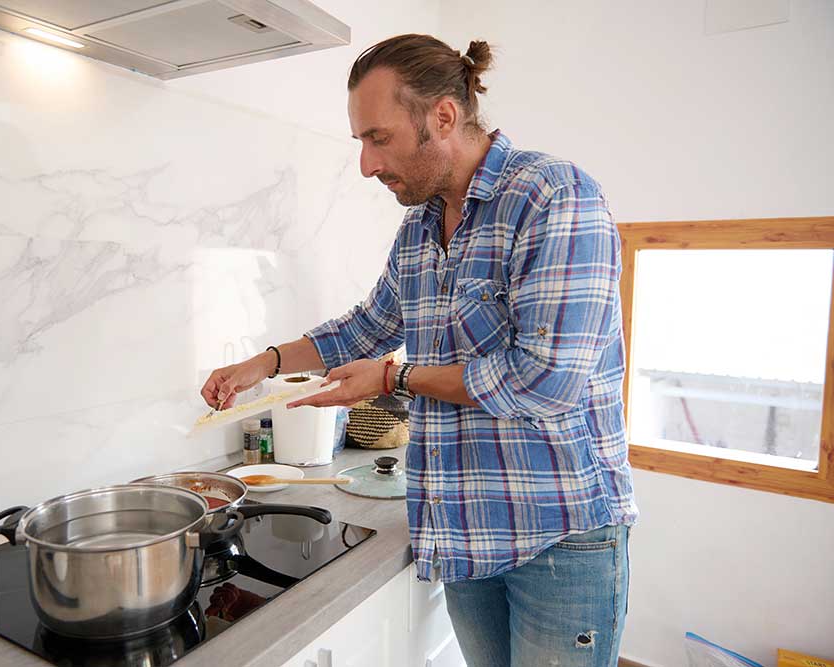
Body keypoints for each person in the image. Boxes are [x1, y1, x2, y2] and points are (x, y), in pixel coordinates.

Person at [200, 33, 638, 667]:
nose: (367, 165)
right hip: (464, 534)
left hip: (559, 537)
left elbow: (544, 382)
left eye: (378, 138)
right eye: (361, 143)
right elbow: (363, 328)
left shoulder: (553, 197)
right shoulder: (419, 229)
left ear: (443, 116)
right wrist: (260, 365)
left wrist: (394, 378)